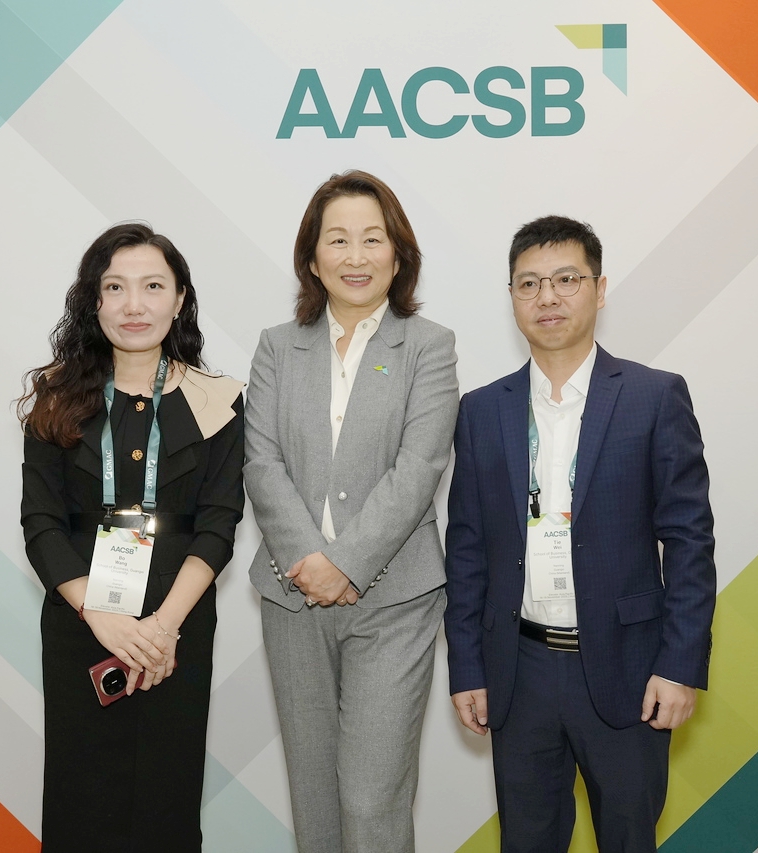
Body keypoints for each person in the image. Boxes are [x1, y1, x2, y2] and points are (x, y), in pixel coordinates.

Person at [444, 216, 716, 852]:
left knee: (628, 838)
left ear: (599, 288)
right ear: (512, 297)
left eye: (566, 279)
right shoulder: (482, 410)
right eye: (529, 283)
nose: (548, 297)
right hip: (519, 671)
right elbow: (467, 549)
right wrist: (467, 666)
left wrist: (679, 666)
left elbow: (689, 543)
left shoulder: (654, 396)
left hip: (629, 669)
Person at [245, 170, 459, 853]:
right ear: (313, 258)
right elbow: (261, 462)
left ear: (398, 254)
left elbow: (420, 468)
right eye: (338, 239)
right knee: (314, 798)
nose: (356, 256)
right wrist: (309, 561)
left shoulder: (429, 346)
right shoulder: (277, 346)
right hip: (292, 597)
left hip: (394, 600)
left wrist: (345, 564)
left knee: (371, 799)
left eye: (373, 238)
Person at [18, 223, 244, 852]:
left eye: (152, 286)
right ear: (93, 301)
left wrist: (163, 628)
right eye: (115, 287)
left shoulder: (218, 401)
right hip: (82, 623)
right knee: (82, 799)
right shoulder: (57, 397)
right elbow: (40, 523)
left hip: (178, 624)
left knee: (166, 798)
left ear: (179, 298)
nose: (134, 305)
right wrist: (100, 616)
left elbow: (219, 523)